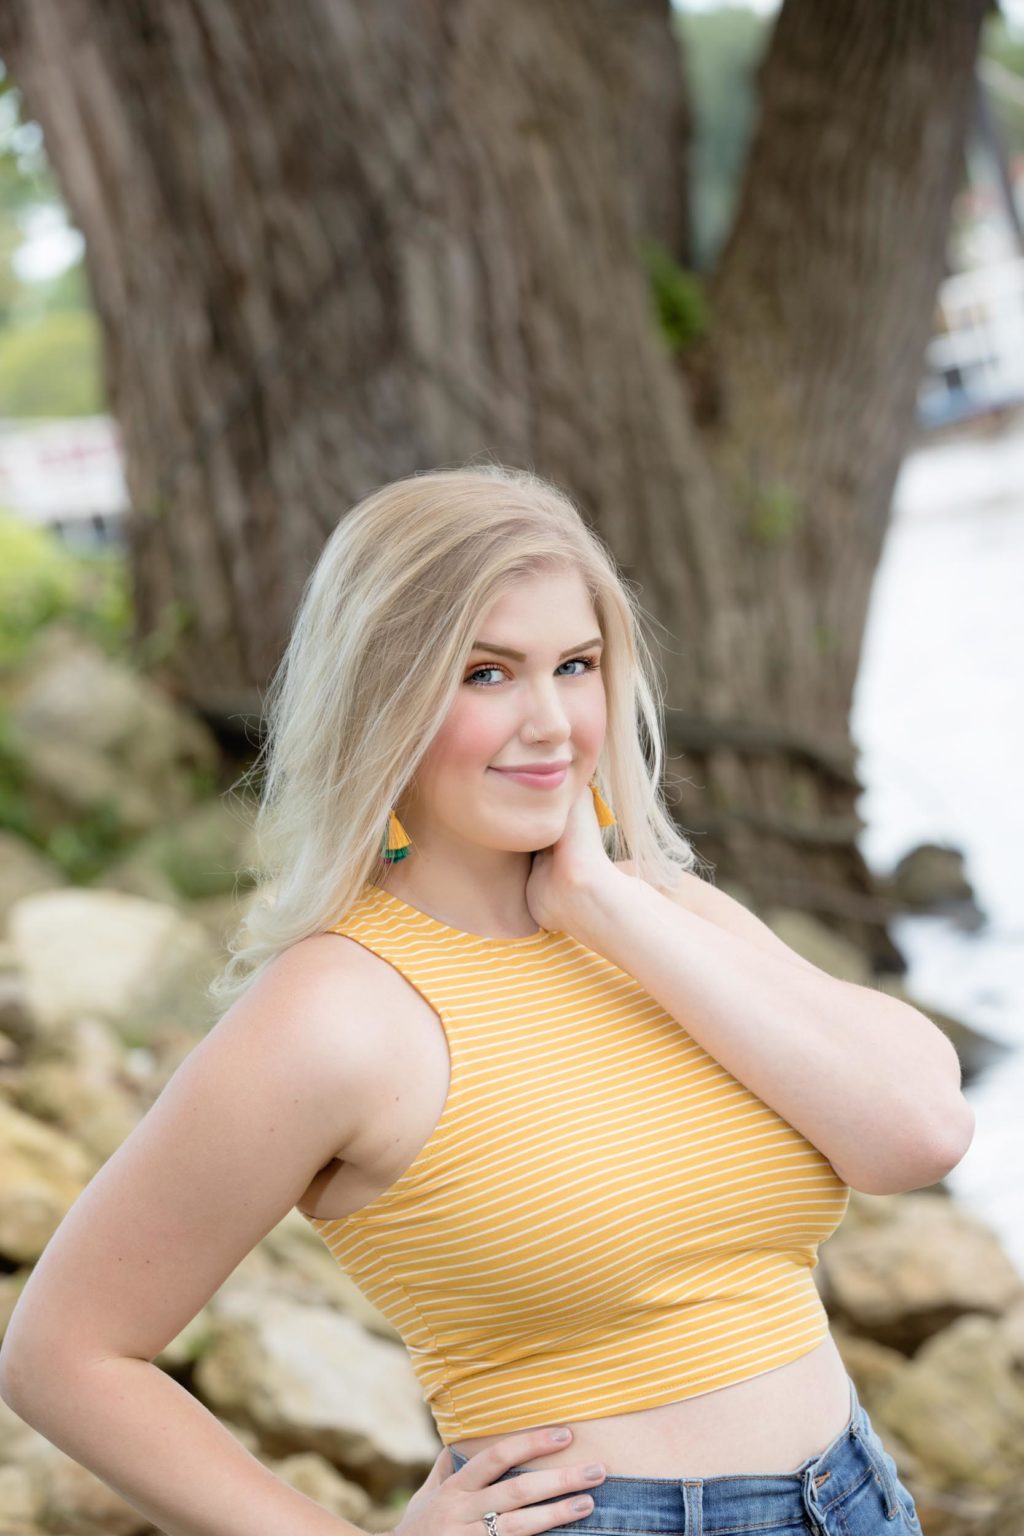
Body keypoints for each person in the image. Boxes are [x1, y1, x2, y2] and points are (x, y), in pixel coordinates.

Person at [0, 465, 969, 1536]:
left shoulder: (659, 912)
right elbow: (64, 1354)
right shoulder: (336, 1012)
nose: (550, 722)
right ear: (383, 696)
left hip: (856, 1499)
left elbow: (918, 1133)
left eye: (575, 665)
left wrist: (602, 902)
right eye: (487, 673)